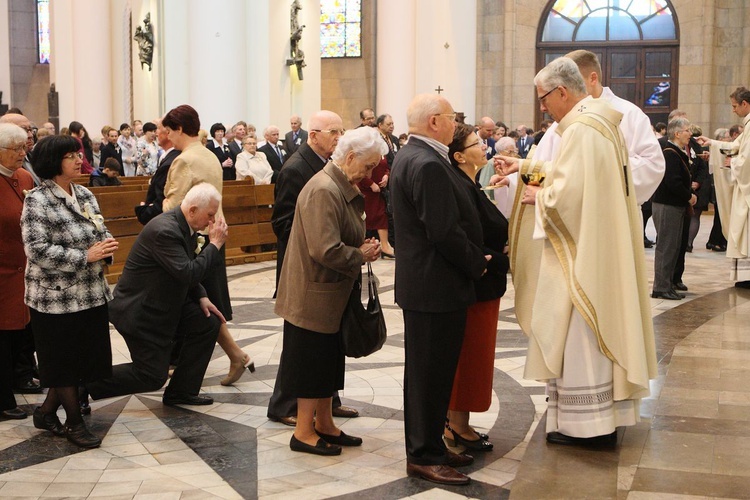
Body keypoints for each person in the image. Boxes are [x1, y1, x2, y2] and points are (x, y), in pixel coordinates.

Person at [498, 56, 657, 448]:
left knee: (581, 334)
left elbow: (569, 193)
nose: (542, 106)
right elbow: (572, 174)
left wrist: (541, 197)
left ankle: (589, 427)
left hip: (585, 254)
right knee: (581, 333)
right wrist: (525, 169)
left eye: (544, 97)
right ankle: (594, 421)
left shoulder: (585, 128)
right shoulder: (594, 121)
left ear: (563, 92)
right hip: (594, 243)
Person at [390, 94, 488, 486]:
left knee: (432, 373)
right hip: (434, 286)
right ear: (434, 122)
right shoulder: (426, 163)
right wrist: (476, 262)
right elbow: (443, 231)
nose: (455, 123)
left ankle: (430, 442)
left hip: (429, 285)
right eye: (451, 117)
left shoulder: (416, 155)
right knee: (428, 376)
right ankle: (424, 455)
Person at [275, 127, 384, 457]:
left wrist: (360, 244)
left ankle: (324, 423)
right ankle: (303, 432)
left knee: (328, 363)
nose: (369, 175)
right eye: (367, 167)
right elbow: (324, 248)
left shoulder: (341, 185)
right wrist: (359, 254)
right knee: (312, 364)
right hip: (313, 294)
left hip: (331, 292)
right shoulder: (324, 188)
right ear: (350, 158)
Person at [86, 183, 228, 406]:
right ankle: (83, 384)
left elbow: (184, 267)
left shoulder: (185, 225)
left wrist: (201, 296)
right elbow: (188, 273)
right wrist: (215, 244)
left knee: (207, 323)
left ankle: (182, 391)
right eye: (209, 215)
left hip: (164, 304)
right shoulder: (165, 230)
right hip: (141, 312)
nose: (212, 221)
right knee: (151, 376)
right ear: (192, 210)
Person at [21, 135, 119, 448]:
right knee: (61, 363)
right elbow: (36, 249)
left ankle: (47, 412)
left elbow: (100, 229)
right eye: (70, 155)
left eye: (78, 154)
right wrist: (84, 256)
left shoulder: (86, 194)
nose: (79, 159)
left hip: (90, 292)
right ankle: (74, 424)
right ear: (53, 162)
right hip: (55, 297)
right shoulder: (37, 199)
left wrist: (106, 248)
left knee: (83, 360)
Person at [269, 110, 359, 425]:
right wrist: (315, 235)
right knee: (301, 344)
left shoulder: (327, 165)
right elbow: (281, 222)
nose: (338, 137)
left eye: (341, 131)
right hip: (304, 268)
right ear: (313, 135)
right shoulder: (295, 168)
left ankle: (327, 402)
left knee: (328, 340)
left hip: (328, 267)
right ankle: (283, 405)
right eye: (333, 132)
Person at [161, 105, 253, 386]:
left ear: (178, 129)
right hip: (214, 233)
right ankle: (234, 355)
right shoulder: (210, 154)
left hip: (195, 237)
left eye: (168, 131)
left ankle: (180, 363)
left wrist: (157, 206)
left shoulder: (184, 160)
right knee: (205, 299)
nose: (167, 137)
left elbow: (174, 207)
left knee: (197, 302)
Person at [444, 123, 509, 452]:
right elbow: (472, 240)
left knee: (473, 358)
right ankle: (457, 424)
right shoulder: (459, 185)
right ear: (459, 156)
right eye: (476, 143)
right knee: (469, 358)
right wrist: (502, 259)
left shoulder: (470, 183)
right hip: (477, 285)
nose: (484, 146)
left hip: (485, 285)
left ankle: (458, 421)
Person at [697, 87, 750, 288]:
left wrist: (733, 164)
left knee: (746, 231)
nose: (733, 110)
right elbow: (735, 147)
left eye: (735, 106)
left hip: (747, 191)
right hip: (745, 190)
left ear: (745, 104)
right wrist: (711, 142)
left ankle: (748, 277)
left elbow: (746, 161)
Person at [0, 123, 35, 421]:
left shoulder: (24, 177)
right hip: (2, 272)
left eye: (24, 147)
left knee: (19, 334)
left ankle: (14, 381)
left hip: (23, 271)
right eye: (16, 149)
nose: (23, 154)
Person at [651, 117, 697, 300]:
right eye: (687, 130)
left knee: (673, 247)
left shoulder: (677, 151)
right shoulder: (670, 153)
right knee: (666, 247)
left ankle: (667, 285)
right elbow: (672, 182)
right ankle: (660, 288)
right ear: (677, 133)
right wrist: (689, 196)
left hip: (674, 205)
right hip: (666, 205)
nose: (690, 134)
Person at [358, 121, 395, 258]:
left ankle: (385, 246)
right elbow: (360, 171)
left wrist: (386, 176)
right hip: (367, 191)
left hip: (380, 190)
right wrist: (370, 183)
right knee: (366, 218)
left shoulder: (381, 149)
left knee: (381, 217)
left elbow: (386, 166)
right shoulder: (364, 149)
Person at [135, 117, 181, 225]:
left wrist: (144, 211)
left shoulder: (171, 161)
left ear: (168, 133)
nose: (156, 134)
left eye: (158, 130)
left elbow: (163, 198)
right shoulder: (169, 156)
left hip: (165, 221)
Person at [705, 128, 731, 252]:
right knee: (719, 215)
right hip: (718, 187)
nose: (730, 139)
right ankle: (715, 241)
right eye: (727, 137)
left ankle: (717, 240)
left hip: (725, 186)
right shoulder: (718, 150)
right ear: (720, 139)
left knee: (721, 215)